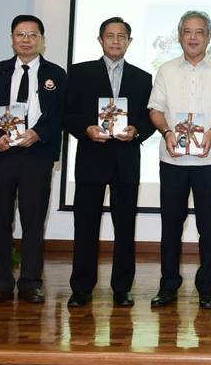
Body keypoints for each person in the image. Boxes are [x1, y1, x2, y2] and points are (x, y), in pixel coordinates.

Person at [147, 10, 211, 309]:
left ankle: (206, 288)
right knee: (171, 225)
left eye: (199, 32)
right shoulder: (166, 70)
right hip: (172, 159)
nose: (193, 37)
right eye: (187, 31)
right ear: (179, 36)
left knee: (208, 225)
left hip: (209, 160)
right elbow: (155, 109)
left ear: (209, 37)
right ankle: (169, 285)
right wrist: (166, 132)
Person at [0, 15, 67, 305]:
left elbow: (61, 115)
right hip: (1, 155)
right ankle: (0, 283)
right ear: (12, 39)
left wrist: (38, 133)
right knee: (0, 222)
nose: (26, 40)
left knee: (32, 222)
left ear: (42, 39)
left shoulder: (56, 74)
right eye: (20, 34)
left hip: (36, 157)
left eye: (32, 34)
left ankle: (30, 283)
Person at [65, 17, 155, 308]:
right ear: (100, 40)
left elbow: (149, 117)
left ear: (130, 41)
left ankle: (122, 288)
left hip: (126, 160)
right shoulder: (80, 73)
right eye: (109, 36)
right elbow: (68, 114)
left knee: (125, 227)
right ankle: (81, 288)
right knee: (85, 226)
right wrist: (86, 129)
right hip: (92, 157)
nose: (115, 41)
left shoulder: (143, 78)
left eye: (121, 36)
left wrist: (137, 130)